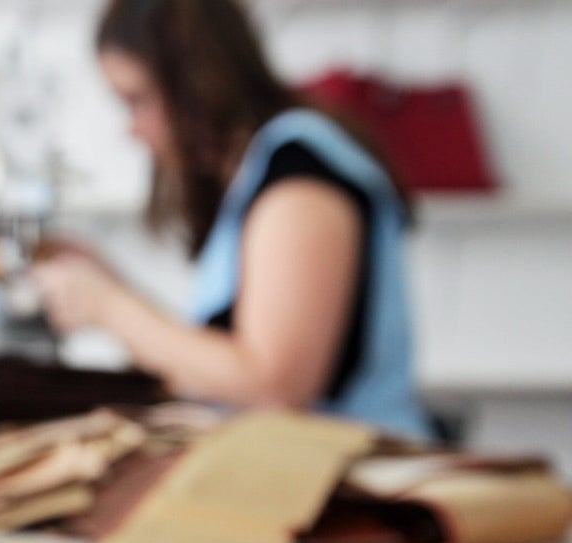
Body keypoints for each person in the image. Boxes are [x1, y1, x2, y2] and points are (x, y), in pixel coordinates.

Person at [30, 0, 433, 439]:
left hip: (357, 479)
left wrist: (110, 308)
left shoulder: (300, 183)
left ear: (195, 80)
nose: (131, 129)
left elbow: (275, 387)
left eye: (137, 99)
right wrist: (109, 289)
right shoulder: (259, 175)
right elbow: (227, 367)